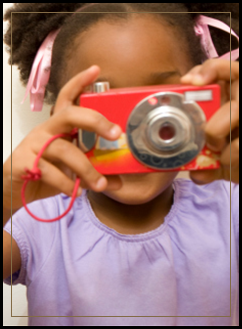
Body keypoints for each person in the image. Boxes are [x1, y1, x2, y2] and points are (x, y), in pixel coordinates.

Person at [3, 3, 239, 326]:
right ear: (60, 116)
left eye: (156, 106)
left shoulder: (227, 206)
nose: (131, 133)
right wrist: (5, 198)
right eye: (106, 106)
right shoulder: (39, 219)